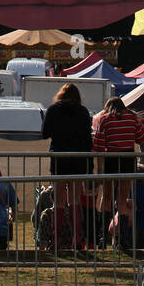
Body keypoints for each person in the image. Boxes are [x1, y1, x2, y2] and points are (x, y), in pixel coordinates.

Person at [42, 82, 93, 247]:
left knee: (59, 201)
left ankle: (55, 239)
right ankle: (76, 239)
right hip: (78, 160)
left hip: (59, 159)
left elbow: (45, 134)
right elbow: (88, 140)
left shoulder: (54, 110)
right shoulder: (83, 112)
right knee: (75, 200)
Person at [92, 96, 144, 240]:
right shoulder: (132, 118)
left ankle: (103, 236)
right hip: (128, 160)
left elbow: (98, 146)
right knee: (122, 201)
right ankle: (121, 237)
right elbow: (141, 139)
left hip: (111, 159)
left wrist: (99, 169)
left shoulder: (105, 119)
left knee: (106, 198)